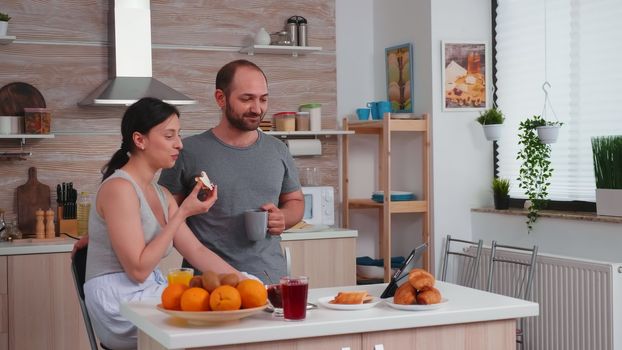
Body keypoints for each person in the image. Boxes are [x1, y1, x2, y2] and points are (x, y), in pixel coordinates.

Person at [82, 97, 244, 349]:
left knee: (232, 302)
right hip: (118, 302)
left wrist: (246, 281)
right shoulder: (119, 189)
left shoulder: (161, 194)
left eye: (178, 135)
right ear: (140, 140)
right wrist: (182, 214)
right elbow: (138, 270)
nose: (179, 144)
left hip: (147, 293)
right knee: (211, 317)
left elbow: (197, 251)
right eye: (169, 136)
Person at [159, 59, 304, 284]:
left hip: (270, 281)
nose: (257, 109)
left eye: (263, 99)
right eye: (247, 99)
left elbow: (295, 201)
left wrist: (283, 217)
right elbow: (163, 213)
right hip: (209, 284)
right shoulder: (187, 151)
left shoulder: (278, 150)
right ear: (220, 98)